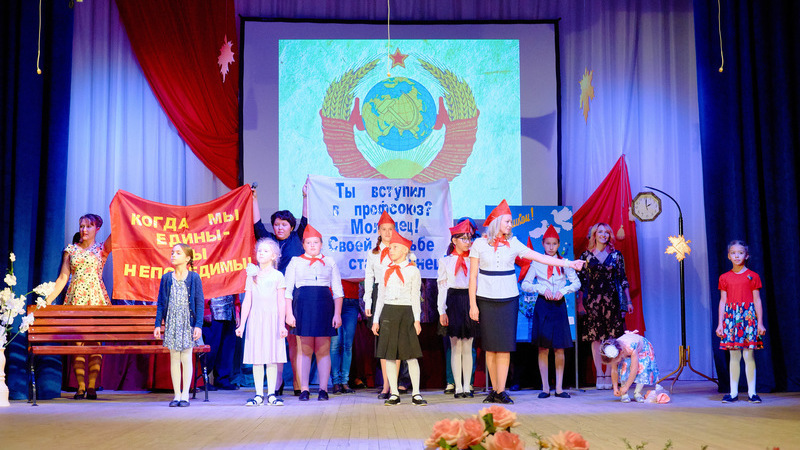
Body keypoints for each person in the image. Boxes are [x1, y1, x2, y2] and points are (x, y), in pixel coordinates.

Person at [469, 200, 584, 404]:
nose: (510, 224)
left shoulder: (514, 243)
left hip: (508, 299)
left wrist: (569, 263)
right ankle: (494, 390)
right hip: (485, 299)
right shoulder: (479, 244)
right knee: (490, 346)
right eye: (507, 221)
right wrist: (473, 304)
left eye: (511, 221)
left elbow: (541, 258)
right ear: (496, 221)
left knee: (504, 345)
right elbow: (472, 277)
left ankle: (501, 391)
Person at [45, 214, 112, 400]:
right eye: (82, 226)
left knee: (96, 344)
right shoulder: (70, 250)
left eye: (88, 226)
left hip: (96, 299)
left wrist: (123, 209)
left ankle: (92, 386)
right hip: (76, 299)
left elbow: (118, 232)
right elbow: (63, 278)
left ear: (97, 229)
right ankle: (81, 386)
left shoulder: (101, 249)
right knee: (78, 344)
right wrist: (48, 300)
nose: (84, 230)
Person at [253, 183, 308, 395]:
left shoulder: (298, 238)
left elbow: (305, 219)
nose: (280, 228)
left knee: (295, 342)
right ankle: (277, 383)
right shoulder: (268, 242)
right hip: (272, 296)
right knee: (276, 340)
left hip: (295, 297)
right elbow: (257, 224)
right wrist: (254, 199)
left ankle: (298, 382)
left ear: (291, 227)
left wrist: (305, 197)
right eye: (276, 224)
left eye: (284, 224)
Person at [520, 225, 581, 399]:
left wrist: (564, 290)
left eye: (554, 244)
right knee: (543, 347)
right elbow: (525, 284)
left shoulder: (564, 263)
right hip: (543, 305)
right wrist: (540, 288)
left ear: (558, 244)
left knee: (559, 348)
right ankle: (545, 387)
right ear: (543, 244)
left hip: (559, 306)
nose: (551, 247)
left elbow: (576, 283)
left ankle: (559, 388)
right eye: (548, 243)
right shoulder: (537, 262)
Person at [284, 225, 343, 401]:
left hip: (324, 305)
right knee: (305, 349)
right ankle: (304, 389)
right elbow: (287, 291)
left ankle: (323, 389)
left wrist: (337, 314)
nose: (312, 245)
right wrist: (289, 314)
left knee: (323, 349)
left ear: (321, 244)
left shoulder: (330, 261)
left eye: (315, 242)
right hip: (303, 306)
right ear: (303, 244)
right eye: (308, 242)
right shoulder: (295, 261)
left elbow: (338, 291)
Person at [372, 231, 426, 406]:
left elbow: (415, 296)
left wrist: (416, 319)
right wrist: (376, 319)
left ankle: (416, 393)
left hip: (406, 312)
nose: (391, 250)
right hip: (388, 312)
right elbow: (380, 297)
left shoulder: (412, 271)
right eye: (390, 248)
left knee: (410, 355)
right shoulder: (385, 270)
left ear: (404, 250)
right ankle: (394, 393)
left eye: (395, 247)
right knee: (389, 355)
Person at [577, 222, 632, 390]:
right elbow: (581, 282)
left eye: (606, 232)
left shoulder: (616, 255)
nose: (603, 235)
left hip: (612, 301)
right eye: (600, 232)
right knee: (595, 339)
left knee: (611, 339)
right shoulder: (585, 256)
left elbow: (623, 279)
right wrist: (580, 303)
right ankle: (599, 375)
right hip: (592, 302)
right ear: (594, 235)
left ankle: (609, 374)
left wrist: (628, 301)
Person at [236, 238, 287, 406]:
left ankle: (271, 393)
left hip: (272, 319)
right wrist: (242, 324)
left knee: (272, 357)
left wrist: (282, 324)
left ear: (274, 256)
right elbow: (247, 301)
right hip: (256, 319)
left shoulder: (278, 276)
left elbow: (281, 301)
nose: (261, 253)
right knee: (257, 357)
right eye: (259, 250)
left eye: (266, 251)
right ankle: (258, 394)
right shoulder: (252, 275)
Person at [154, 243, 204, 407]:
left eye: (178, 253)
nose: (174, 255)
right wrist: (158, 324)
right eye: (172, 253)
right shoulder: (167, 278)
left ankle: (185, 395)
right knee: (174, 357)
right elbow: (161, 303)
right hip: (172, 321)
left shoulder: (194, 278)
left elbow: (199, 303)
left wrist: (198, 325)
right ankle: (176, 395)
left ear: (187, 258)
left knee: (186, 357)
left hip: (187, 322)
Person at [715, 240, 765, 403]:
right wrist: (720, 323)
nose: (737, 256)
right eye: (733, 253)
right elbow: (723, 301)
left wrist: (760, 322)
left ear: (746, 255)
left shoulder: (753, 276)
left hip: (748, 317)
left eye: (740, 253)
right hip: (731, 319)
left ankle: (752, 393)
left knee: (748, 355)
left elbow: (757, 300)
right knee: (734, 355)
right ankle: (733, 393)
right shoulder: (724, 277)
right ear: (729, 256)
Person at [437, 219, 479, 399]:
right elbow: (442, 287)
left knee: (468, 345)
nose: (468, 242)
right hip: (453, 301)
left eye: (470, 238)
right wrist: (441, 310)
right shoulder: (445, 261)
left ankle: (468, 386)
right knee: (455, 346)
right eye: (464, 238)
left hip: (469, 300)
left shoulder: (474, 260)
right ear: (454, 240)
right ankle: (458, 387)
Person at [364, 210, 399, 399]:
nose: (387, 233)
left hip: (398, 295)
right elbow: (369, 278)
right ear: (378, 231)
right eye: (384, 229)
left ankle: (395, 385)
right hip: (380, 294)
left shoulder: (401, 250)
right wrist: (368, 300)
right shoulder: (373, 253)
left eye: (390, 229)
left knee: (397, 342)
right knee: (383, 343)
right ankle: (386, 385)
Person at [601, 330, 660, 403]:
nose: (615, 363)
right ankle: (624, 393)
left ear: (621, 353)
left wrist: (627, 387)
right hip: (627, 348)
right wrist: (615, 388)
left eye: (616, 361)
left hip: (642, 349)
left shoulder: (631, 348)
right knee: (624, 367)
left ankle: (637, 392)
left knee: (642, 368)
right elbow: (614, 370)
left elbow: (634, 369)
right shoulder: (613, 350)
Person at [202, 294, 239, 390]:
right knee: (211, 347)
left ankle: (222, 379)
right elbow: (205, 289)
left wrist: (237, 310)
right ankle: (202, 380)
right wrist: (206, 310)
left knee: (227, 348)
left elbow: (236, 289)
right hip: (213, 309)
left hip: (230, 309)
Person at [330, 279, 359, 394]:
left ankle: (344, 381)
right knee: (335, 344)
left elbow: (362, 275)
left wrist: (345, 275)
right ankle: (336, 381)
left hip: (351, 300)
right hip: (333, 299)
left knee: (347, 345)